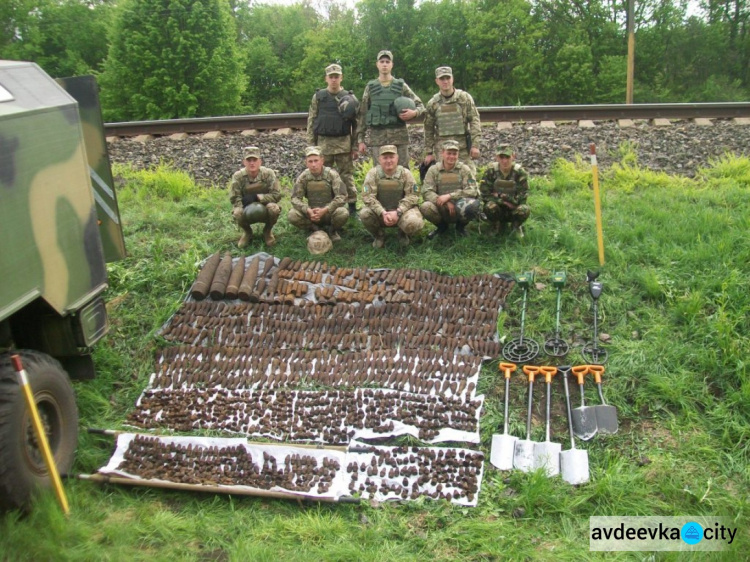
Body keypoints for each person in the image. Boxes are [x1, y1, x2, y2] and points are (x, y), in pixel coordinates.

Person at [307, 63, 360, 217]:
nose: (334, 79)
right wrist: (311, 146)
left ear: (341, 77)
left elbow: (357, 125)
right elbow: (311, 120)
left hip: (344, 144)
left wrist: (354, 146)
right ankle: (325, 205)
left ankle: (352, 207)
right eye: (331, 77)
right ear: (326, 79)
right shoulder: (319, 97)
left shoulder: (350, 98)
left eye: (337, 76)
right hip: (323, 145)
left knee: (346, 176)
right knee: (324, 177)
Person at [356, 50, 425, 168]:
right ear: (377, 64)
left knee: (403, 171)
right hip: (378, 138)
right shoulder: (370, 87)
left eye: (387, 61)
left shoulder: (401, 85)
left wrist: (413, 113)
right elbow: (363, 114)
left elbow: (421, 106)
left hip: (399, 137)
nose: (384, 64)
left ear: (392, 64)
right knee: (379, 173)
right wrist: (360, 140)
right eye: (382, 61)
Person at [359, 145, 423, 248]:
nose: (388, 161)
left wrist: (398, 212)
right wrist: (383, 212)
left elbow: (413, 195)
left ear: (397, 158)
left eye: (391, 157)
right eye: (385, 158)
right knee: (364, 214)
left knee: (414, 221)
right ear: (379, 159)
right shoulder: (373, 174)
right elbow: (368, 196)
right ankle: (379, 235)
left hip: (401, 213)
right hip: (381, 214)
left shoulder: (405, 173)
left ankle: (402, 233)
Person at [423, 66, 482, 175]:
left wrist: (475, 146)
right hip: (442, 149)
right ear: (437, 81)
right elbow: (428, 128)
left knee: (470, 178)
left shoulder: (464, 98)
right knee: (443, 179)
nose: (445, 81)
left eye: (447, 78)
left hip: (462, 148)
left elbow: (474, 121)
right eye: (442, 79)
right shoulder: (433, 103)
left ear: (452, 79)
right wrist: (429, 152)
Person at [420, 140, 481, 239]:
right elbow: (426, 191)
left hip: (460, 206)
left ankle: (460, 227)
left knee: (472, 205)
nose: (451, 157)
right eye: (449, 153)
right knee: (425, 206)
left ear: (458, 154)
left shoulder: (464, 169)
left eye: (454, 154)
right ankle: (442, 227)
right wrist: (444, 201)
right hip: (441, 207)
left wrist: (450, 196)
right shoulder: (433, 170)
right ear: (442, 153)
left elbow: (472, 190)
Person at [288, 146, 349, 242]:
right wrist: (307, 210)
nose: (313, 165)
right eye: (310, 161)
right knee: (292, 215)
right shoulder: (304, 177)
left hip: (328, 212)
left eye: (316, 161)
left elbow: (342, 196)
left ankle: (332, 231)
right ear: (306, 163)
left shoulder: (332, 174)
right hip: (312, 213)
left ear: (322, 161)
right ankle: (314, 229)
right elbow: (295, 198)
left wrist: (325, 209)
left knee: (343, 213)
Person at [229, 146, 282, 248]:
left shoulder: (268, 174)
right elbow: (235, 197)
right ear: (244, 162)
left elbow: (276, 195)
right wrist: (242, 205)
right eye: (249, 160)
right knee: (237, 212)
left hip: (265, 207)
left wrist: (258, 197)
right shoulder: (238, 176)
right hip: (246, 207)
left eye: (254, 160)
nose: (252, 163)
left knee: (274, 209)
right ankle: (247, 232)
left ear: (260, 162)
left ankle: (267, 231)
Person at [480, 144, 530, 237]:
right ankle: (496, 225)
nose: (505, 161)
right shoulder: (491, 171)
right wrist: (503, 201)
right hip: (497, 208)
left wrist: (507, 199)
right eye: (501, 157)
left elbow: (523, 196)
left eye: (507, 157)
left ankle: (516, 226)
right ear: (496, 158)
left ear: (513, 156)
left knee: (524, 209)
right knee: (489, 206)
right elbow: (485, 194)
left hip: (514, 208)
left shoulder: (520, 172)